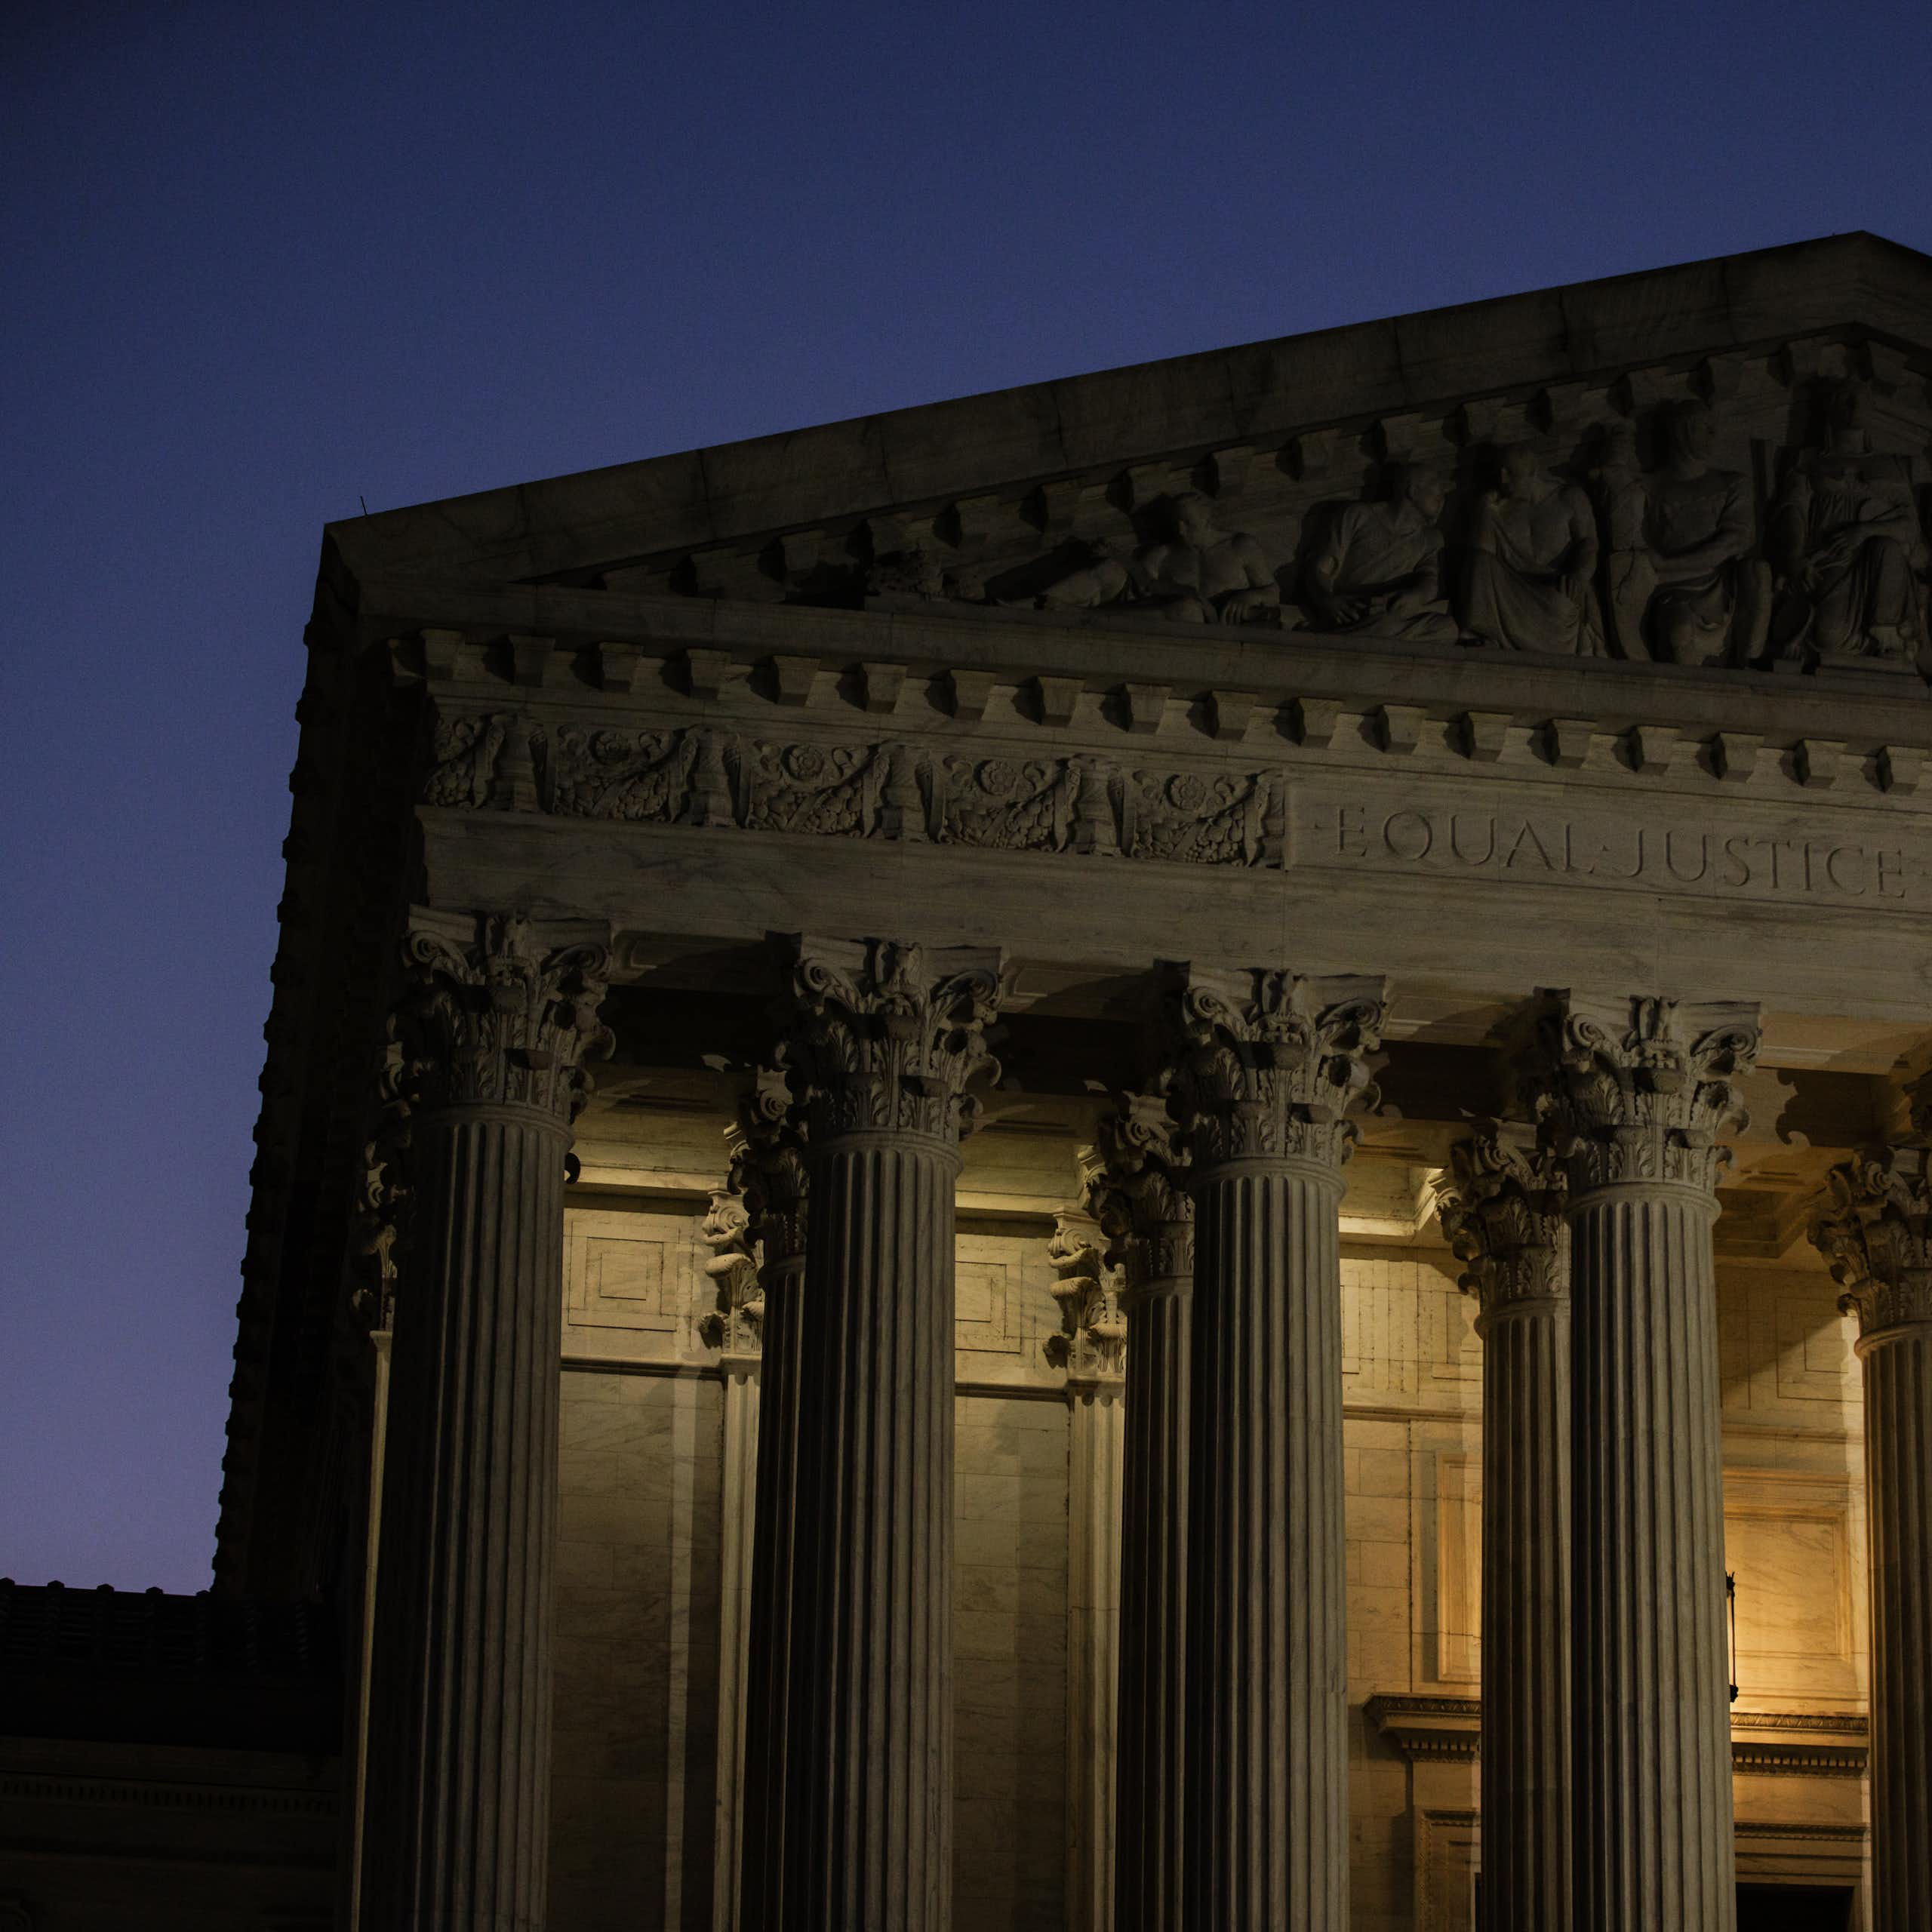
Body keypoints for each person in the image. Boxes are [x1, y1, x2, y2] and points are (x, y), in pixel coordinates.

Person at [1598, 401, 1770, 666]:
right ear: (1682, 432)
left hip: (1717, 585)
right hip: (1670, 589)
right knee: (1679, 631)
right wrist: (1616, 461)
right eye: (1705, 429)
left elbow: (1734, 541)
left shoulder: (1732, 484)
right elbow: (1623, 535)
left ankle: (1749, 667)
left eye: (1714, 430)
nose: (1714, 436)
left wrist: (1668, 565)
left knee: (1759, 572)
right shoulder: (1648, 487)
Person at [1770, 380, 1927, 666]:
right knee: (1828, 635)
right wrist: (1795, 558)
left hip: (1883, 568)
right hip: (1829, 561)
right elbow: (1793, 511)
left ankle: (1888, 637)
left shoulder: (1890, 466)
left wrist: (1864, 531)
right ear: (1831, 408)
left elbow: (1910, 527)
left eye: (1860, 400)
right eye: (1845, 399)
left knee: (1887, 547)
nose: (1854, 407)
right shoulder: (1807, 461)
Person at [1462, 444, 1600, 654]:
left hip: (1552, 588)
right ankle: (1483, 633)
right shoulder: (1497, 508)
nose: (1503, 479)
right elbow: (1482, 559)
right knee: (1480, 561)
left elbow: (1589, 544)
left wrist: (1579, 576)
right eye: (1500, 472)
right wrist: (1484, 509)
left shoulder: (1569, 498)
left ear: (1533, 473)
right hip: (1511, 587)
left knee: (1561, 605)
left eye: (1510, 472)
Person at [1301, 462, 1457, 641]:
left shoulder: (1431, 539)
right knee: (1383, 625)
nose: (1442, 498)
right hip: (1351, 611)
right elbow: (1321, 568)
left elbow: (1430, 580)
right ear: (1413, 491)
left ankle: (1337, 640)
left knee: (1447, 628)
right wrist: (1327, 600)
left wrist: (1413, 597)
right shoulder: (1358, 515)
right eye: (1436, 492)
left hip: (1390, 614)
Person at [1134, 491, 1280, 623]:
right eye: (1177, 523)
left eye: (1188, 524)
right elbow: (1141, 598)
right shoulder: (1160, 556)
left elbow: (1273, 592)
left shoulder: (1240, 546)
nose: (1181, 531)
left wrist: (1251, 597)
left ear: (1206, 521)